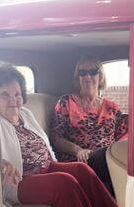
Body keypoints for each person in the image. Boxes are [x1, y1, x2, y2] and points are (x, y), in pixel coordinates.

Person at [0, 64, 123, 207]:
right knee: (64, 182)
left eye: (17, 94)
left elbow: (44, 142)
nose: (13, 101)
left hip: (46, 166)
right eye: (5, 95)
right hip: (20, 181)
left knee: (82, 170)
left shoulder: (25, 114)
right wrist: (0, 163)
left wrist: (53, 163)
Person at [50, 56, 129, 195]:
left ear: (101, 76)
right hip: (80, 162)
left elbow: (123, 136)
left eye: (93, 71)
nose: (87, 76)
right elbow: (56, 138)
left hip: (106, 161)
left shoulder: (112, 107)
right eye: (82, 72)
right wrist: (78, 150)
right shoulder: (66, 103)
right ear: (77, 77)